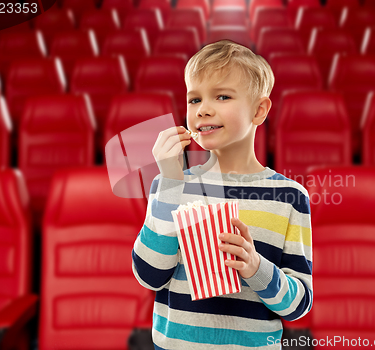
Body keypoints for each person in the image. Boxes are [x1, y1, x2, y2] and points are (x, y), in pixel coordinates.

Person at [131, 39, 313, 349]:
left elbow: (299, 306)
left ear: (259, 110)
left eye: (223, 96)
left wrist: (257, 267)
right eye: (194, 100)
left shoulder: (289, 196)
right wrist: (172, 182)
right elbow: (149, 275)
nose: (202, 110)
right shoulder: (170, 186)